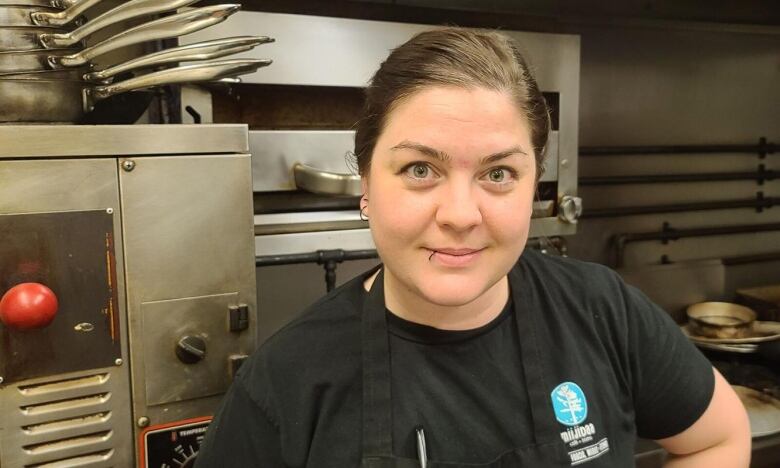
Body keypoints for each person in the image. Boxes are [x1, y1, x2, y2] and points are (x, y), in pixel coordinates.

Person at [195, 28, 750, 467]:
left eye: (499, 173)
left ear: (534, 186)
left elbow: (718, 438)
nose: (460, 215)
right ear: (366, 183)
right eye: (420, 169)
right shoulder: (286, 380)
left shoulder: (604, 312)